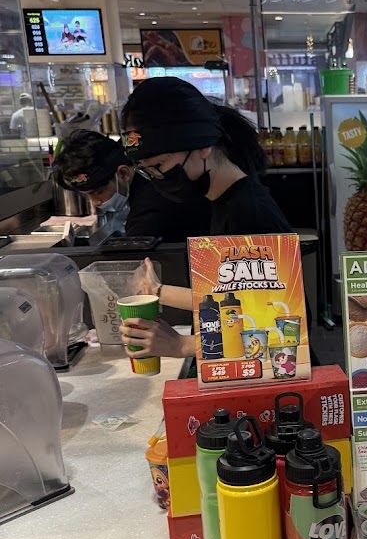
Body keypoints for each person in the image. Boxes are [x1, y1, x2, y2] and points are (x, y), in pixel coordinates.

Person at [118, 77, 292, 363]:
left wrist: (183, 346)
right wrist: (159, 292)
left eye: (161, 165)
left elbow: (280, 327)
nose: (159, 180)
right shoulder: (222, 201)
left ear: (202, 146)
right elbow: (239, 299)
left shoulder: (249, 213)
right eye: (148, 171)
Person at [52, 128, 212, 239]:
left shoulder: (148, 211)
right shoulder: (148, 176)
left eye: (99, 192)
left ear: (122, 173)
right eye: (88, 195)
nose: (95, 202)